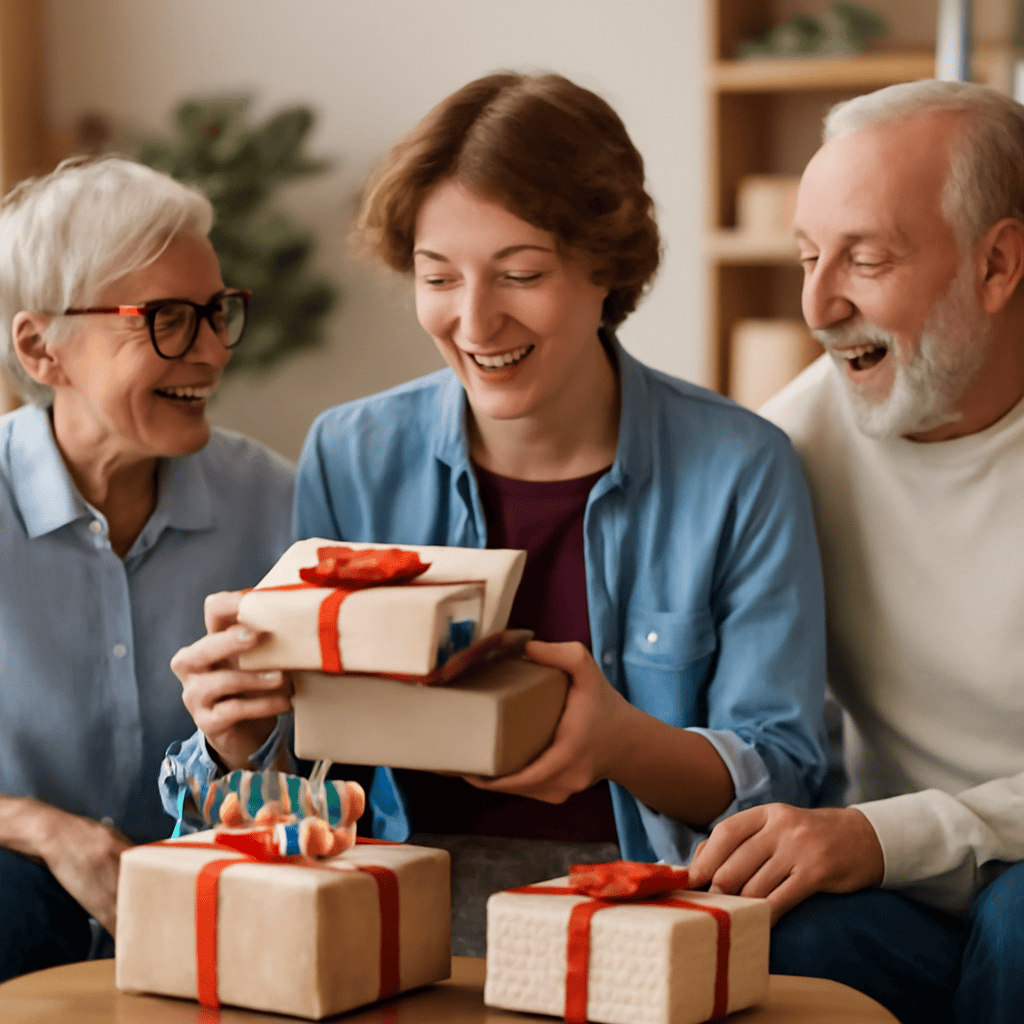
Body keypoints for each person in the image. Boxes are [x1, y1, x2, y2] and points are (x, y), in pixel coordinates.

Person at [164, 71, 828, 955]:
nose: (475, 321)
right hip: (393, 895)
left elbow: (784, 777)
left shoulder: (741, 466)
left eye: (520, 274)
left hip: (647, 899)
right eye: (438, 277)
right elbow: (312, 789)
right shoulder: (351, 453)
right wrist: (244, 744)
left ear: (608, 268)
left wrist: (625, 744)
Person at [687, 80, 1024, 1024]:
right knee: (771, 935)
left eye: (866, 258)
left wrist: (881, 837)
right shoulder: (782, 453)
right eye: (806, 256)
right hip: (896, 893)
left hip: (962, 872)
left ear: (997, 265)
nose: (819, 303)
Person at [0, 156, 294, 981]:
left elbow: (332, 775)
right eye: (166, 317)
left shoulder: (279, 506)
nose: (208, 352)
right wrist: (47, 831)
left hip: (226, 911)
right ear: (41, 347)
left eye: (214, 312)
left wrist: (244, 758)